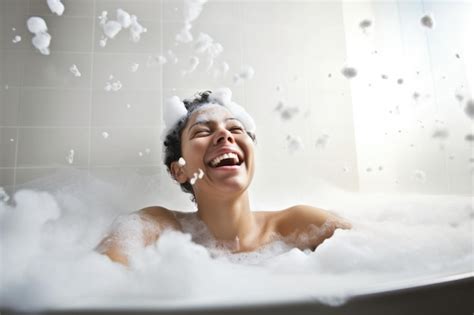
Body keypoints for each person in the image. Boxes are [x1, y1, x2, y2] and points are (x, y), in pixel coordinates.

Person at [96, 89, 351, 266]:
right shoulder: (156, 227)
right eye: (202, 132)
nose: (224, 136)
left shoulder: (301, 225)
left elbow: (380, 253)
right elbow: (100, 282)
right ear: (179, 170)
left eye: (235, 129)